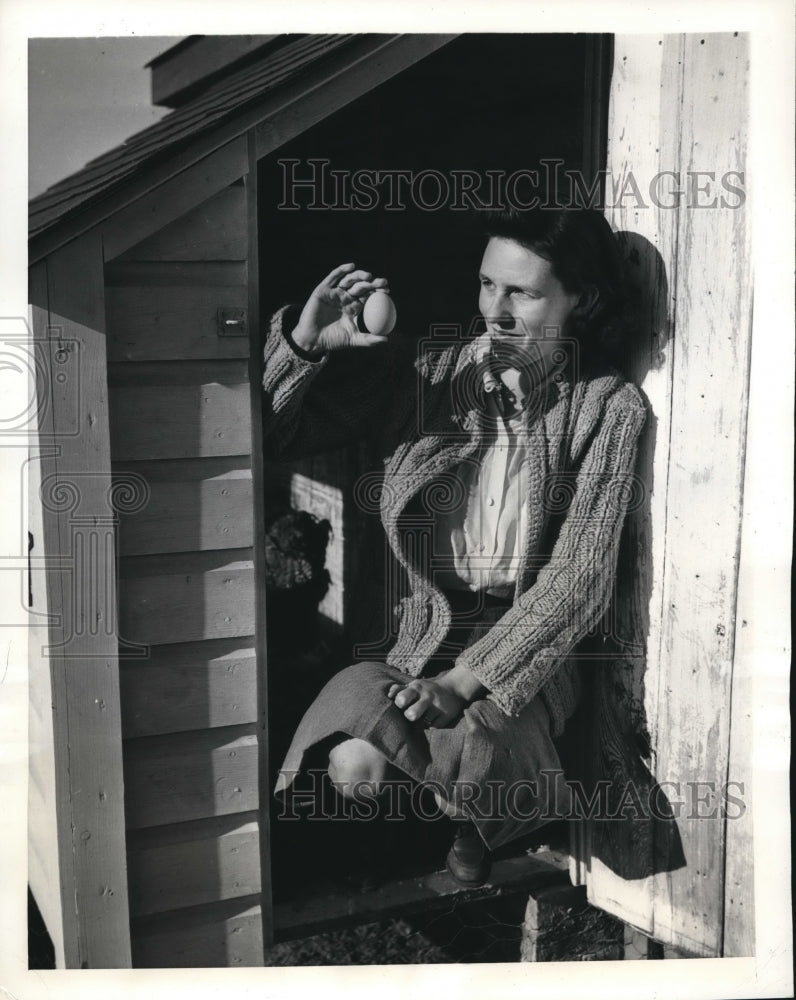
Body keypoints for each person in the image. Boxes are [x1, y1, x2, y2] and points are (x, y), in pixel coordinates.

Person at [262, 207, 647, 888]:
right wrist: (306, 344)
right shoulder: (426, 374)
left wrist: (458, 684)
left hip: (525, 637)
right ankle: (447, 814)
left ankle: (475, 819)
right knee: (353, 766)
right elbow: (272, 435)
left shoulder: (608, 408)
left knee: (480, 744)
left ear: (581, 300)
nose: (495, 310)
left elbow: (578, 580)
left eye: (522, 292)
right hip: (424, 621)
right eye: (487, 284)